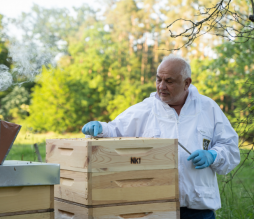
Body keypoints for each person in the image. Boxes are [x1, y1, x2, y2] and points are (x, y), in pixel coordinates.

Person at [82, 54, 240, 219]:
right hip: (154, 208)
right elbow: (114, 131)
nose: (161, 86)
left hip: (199, 210)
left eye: (169, 81)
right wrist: (100, 129)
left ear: (187, 83)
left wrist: (213, 155)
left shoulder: (208, 108)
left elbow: (230, 147)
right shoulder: (146, 108)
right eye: (158, 80)